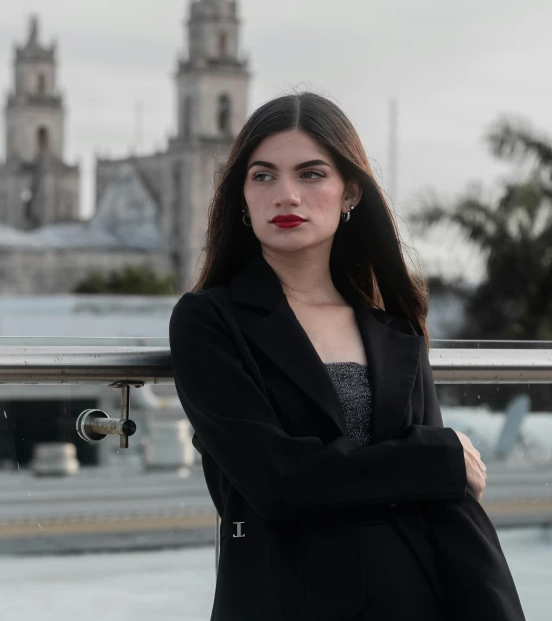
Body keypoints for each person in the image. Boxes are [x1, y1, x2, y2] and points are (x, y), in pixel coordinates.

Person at [169, 92, 526, 620]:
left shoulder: (396, 326)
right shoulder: (209, 320)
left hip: (417, 597)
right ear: (241, 197)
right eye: (262, 176)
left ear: (350, 192)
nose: (285, 195)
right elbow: (278, 481)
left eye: (311, 174)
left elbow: (442, 508)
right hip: (284, 598)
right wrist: (434, 460)